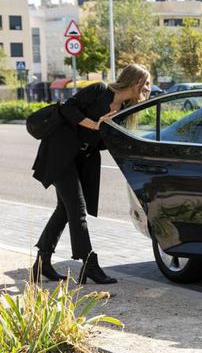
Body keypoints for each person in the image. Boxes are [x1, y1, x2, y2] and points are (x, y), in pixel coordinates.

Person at [31, 64, 151, 284]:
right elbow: (68, 108)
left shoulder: (124, 109)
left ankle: (42, 264)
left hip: (82, 160)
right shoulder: (99, 90)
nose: (148, 89)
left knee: (65, 210)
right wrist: (96, 125)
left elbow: (104, 143)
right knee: (77, 209)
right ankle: (89, 264)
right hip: (60, 154)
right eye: (146, 84)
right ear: (135, 82)